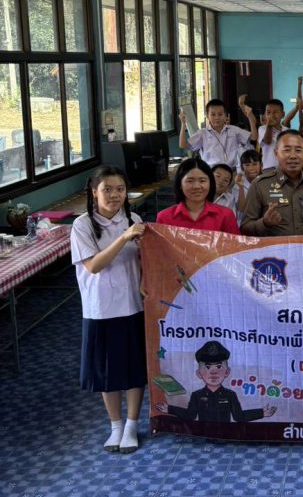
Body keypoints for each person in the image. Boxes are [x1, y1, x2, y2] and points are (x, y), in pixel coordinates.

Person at [70, 166, 147, 454]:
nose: (115, 195)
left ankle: (131, 425)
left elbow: (143, 260)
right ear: (94, 192)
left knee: (134, 368)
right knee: (106, 370)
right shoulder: (82, 225)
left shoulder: (134, 219)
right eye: (107, 189)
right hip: (100, 307)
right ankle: (115, 425)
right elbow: (94, 265)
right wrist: (124, 238)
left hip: (133, 304)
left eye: (120, 189)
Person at [157, 341, 276, 423]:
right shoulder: (197, 395)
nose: (213, 372)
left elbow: (239, 416)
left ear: (227, 372)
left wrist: (262, 413)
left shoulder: (230, 395)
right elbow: (190, 415)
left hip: (225, 436)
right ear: (199, 373)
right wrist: (169, 409)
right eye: (208, 367)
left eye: (219, 366)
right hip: (203, 435)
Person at [241, 130, 303, 237]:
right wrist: (264, 223)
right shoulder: (260, 185)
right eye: (287, 150)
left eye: (298, 150)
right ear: (276, 153)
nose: (293, 156)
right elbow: (245, 228)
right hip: (273, 248)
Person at [157, 157, 240, 234]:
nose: (196, 186)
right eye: (190, 181)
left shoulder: (226, 216)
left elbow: (236, 244)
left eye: (202, 181)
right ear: (180, 184)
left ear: (210, 183)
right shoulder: (164, 218)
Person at [179, 97, 257, 171]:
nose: (217, 118)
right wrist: (183, 124)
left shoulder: (233, 130)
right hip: (211, 172)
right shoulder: (203, 133)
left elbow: (254, 137)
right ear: (207, 116)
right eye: (213, 114)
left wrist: (250, 117)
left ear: (225, 115)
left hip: (231, 171)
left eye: (220, 114)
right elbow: (183, 145)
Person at [257, 98, 285, 169]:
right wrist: (269, 126)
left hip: (284, 168)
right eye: (268, 112)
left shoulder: (287, 131)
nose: (271, 115)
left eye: (275, 112)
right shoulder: (262, 129)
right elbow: (268, 141)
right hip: (268, 169)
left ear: (283, 114)